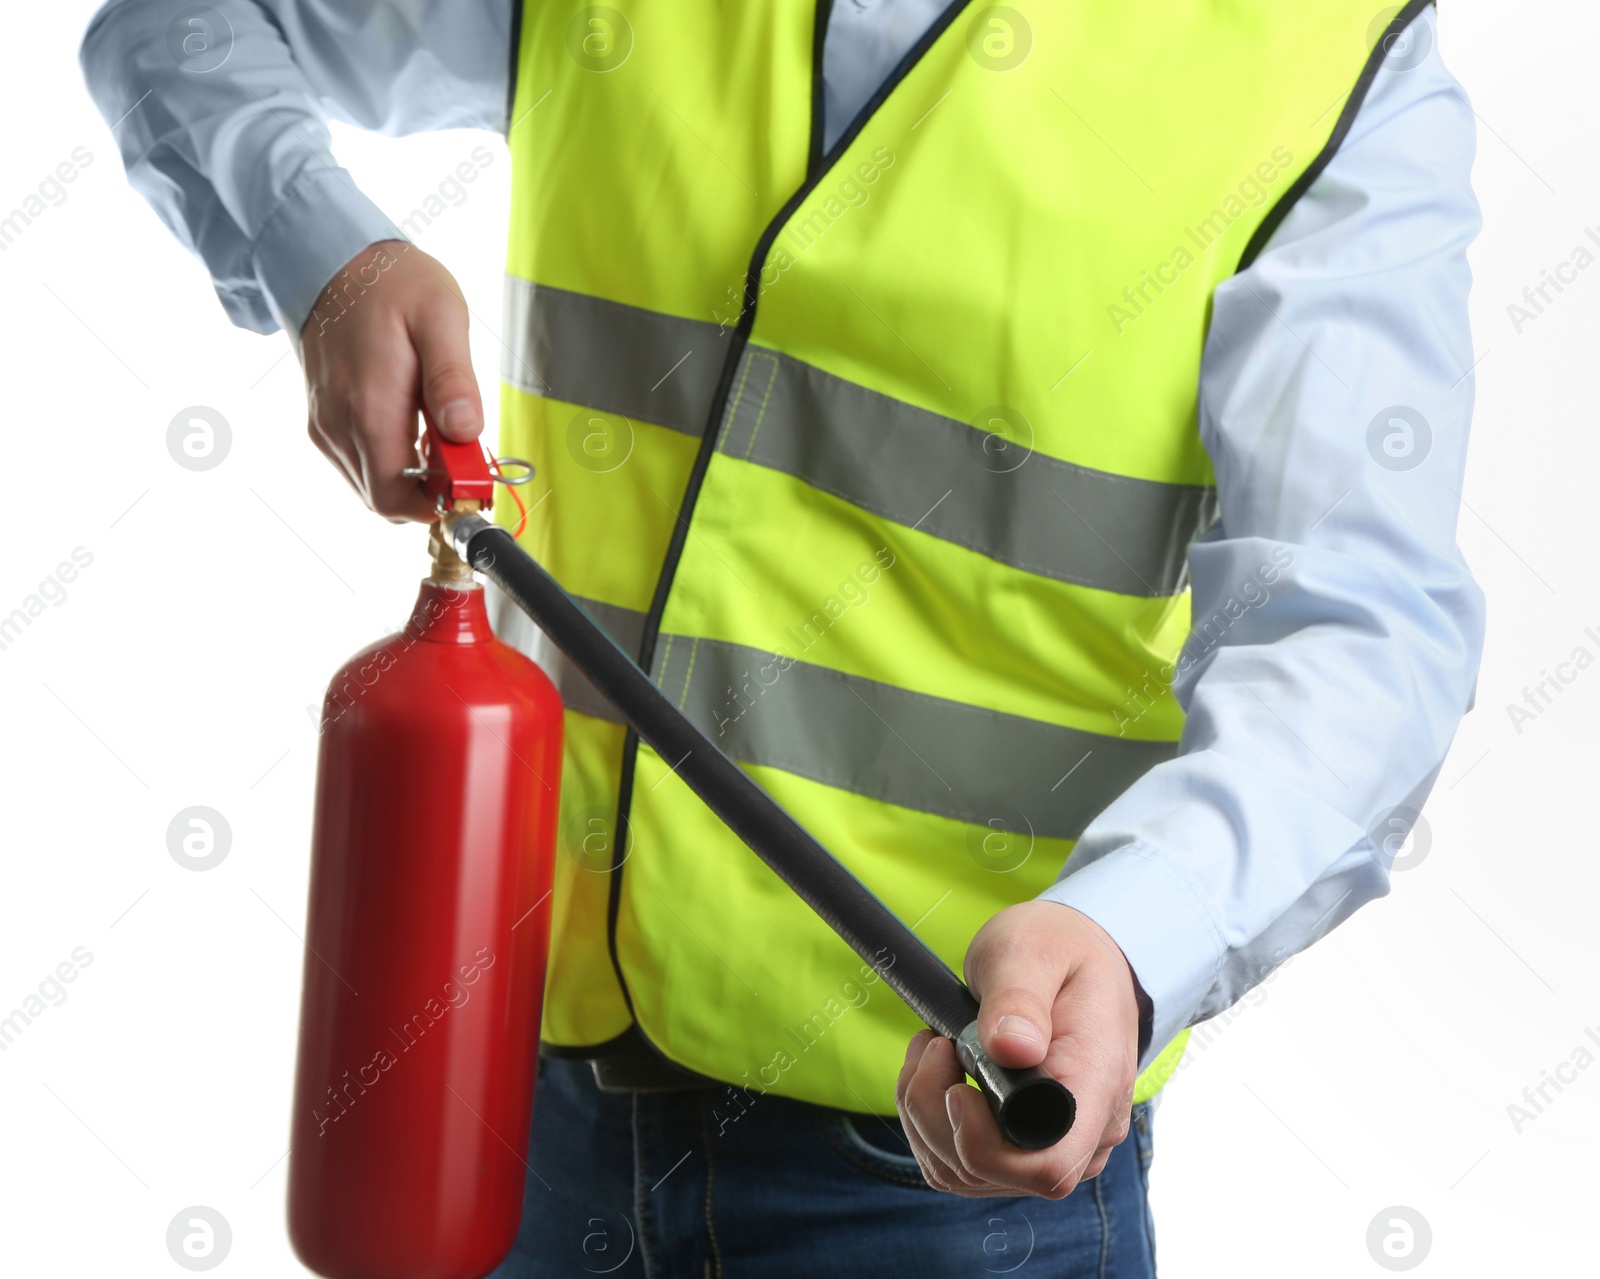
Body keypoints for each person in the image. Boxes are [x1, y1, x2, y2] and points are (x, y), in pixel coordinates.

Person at [82, 2, 1484, 1274]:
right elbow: (183, 26)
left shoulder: (1326, 59)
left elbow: (1359, 628)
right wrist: (324, 253)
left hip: (948, 1178)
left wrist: (1134, 936)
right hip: (517, 1102)